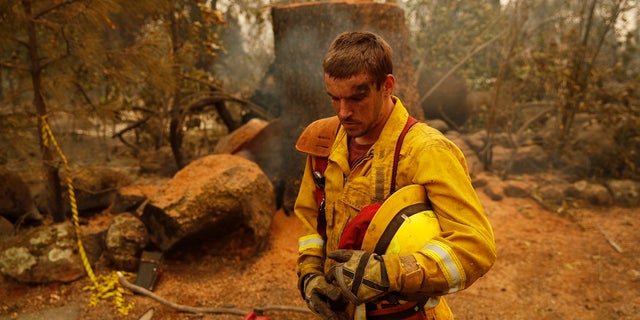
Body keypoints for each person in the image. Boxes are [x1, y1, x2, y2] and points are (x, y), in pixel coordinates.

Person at [293, 31, 496, 320]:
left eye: (357, 98)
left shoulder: (426, 150)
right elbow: (310, 222)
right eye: (334, 99)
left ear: (387, 85)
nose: (343, 112)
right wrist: (310, 276)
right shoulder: (324, 141)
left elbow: (476, 247)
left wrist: (391, 273)